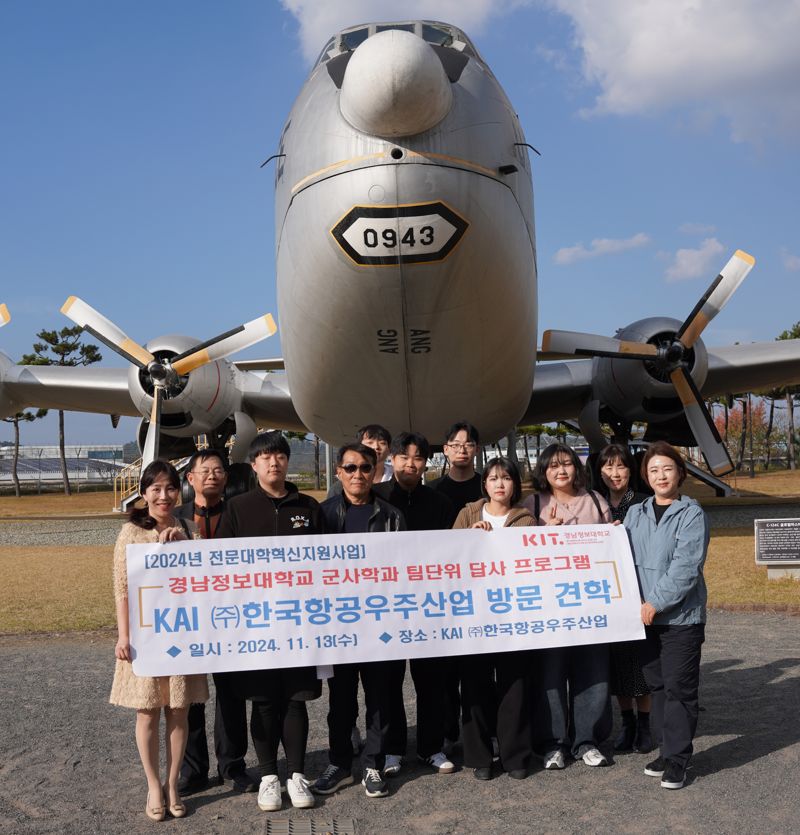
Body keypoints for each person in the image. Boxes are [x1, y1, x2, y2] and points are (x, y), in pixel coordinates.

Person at [215, 431, 324, 812]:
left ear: (287, 461)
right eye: (265, 457)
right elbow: (221, 566)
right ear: (254, 464)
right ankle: (267, 777)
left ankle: (296, 775)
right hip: (255, 626)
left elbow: (327, 565)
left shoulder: (309, 507)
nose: (273, 462)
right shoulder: (238, 508)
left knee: (295, 702)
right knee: (262, 703)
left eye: (279, 455)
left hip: (299, 625)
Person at [110, 460, 208, 821]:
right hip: (145, 636)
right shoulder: (131, 532)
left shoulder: (188, 527)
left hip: (180, 633)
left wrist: (184, 547)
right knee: (147, 711)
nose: (164, 495)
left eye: (170, 488)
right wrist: (124, 636)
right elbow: (122, 587)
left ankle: (172, 784)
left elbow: (200, 581)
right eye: (156, 488)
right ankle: (153, 785)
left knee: (179, 711)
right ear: (143, 492)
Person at [312, 442, 406, 799]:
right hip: (338, 626)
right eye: (349, 468)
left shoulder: (393, 516)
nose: (357, 474)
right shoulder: (323, 514)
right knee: (341, 700)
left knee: (380, 698)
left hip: (379, 625)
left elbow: (405, 569)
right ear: (338, 472)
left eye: (365, 468)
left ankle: (373, 764)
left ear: (376, 471)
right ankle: (338, 762)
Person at [624, 441, 709, 790]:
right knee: (657, 686)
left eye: (667, 468)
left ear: (681, 473)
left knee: (679, 688)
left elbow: (686, 567)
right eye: (653, 470)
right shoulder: (635, 512)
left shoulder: (691, 513)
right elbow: (617, 555)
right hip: (644, 617)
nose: (660, 475)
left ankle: (678, 760)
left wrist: (655, 602)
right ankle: (665, 749)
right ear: (646, 476)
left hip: (680, 619)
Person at [522, 443, 613, 770]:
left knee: (592, 671)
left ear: (577, 467)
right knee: (550, 672)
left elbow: (610, 548)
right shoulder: (532, 503)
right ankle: (553, 743)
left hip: (590, 602)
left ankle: (587, 740)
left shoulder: (594, 501)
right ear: (543, 472)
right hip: (547, 605)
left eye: (567, 464)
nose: (561, 471)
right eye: (553, 466)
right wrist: (543, 534)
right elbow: (515, 549)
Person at [374, 432, 457, 777]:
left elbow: (453, 551)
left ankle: (431, 748)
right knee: (388, 682)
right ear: (392, 459)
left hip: (428, 606)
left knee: (431, 681)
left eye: (418, 457)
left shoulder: (438, 502)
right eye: (404, 456)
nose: (411, 463)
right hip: (386, 605)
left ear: (428, 462)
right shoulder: (375, 497)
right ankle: (393, 749)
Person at [453, 457, 536, 780]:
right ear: (484, 484)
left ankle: (515, 755)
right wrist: (468, 538)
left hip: (513, 614)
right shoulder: (468, 514)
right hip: (474, 616)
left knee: (514, 687)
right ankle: (480, 757)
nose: (500, 484)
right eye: (493, 478)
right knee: (474, 686)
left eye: (506, 478)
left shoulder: (526, 520)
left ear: (515, 484)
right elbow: (448, 556)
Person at [176, 450, 250, 795]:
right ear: (190, 478)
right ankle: (192, 770)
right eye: (203, 470)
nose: (212, 476)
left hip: (229, 618)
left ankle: (232, 765)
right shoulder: (173, 520)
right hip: (187, 620)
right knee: (191, 697)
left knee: (232, 695)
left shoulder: (240, 514)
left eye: (219, 470)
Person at [430, 421, 484, 750]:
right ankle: (448, 734)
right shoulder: (435, 492)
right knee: (446, 672)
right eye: (455, 444)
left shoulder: (489, 486)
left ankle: (480, 733)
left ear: (476, 449)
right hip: (446, 592)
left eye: (468, 444)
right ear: (446, 449)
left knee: (478, 671)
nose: (461, 449)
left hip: (482, 590)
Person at [595, 443, 652, 754]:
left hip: (638, 590)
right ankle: (626, 722)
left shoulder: (644, 503)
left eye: (620, 467)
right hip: (606, 594)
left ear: (631, 470)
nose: (614, 473)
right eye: (608, 467)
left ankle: (645, 724)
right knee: (616, 662)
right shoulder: (594, 503)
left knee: (639, 661)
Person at [327, 424, 394, 497]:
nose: (376, 447)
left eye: (382, 443)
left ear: (389, 449)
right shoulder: (339, 487)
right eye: (370, 442)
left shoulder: (397, 479)